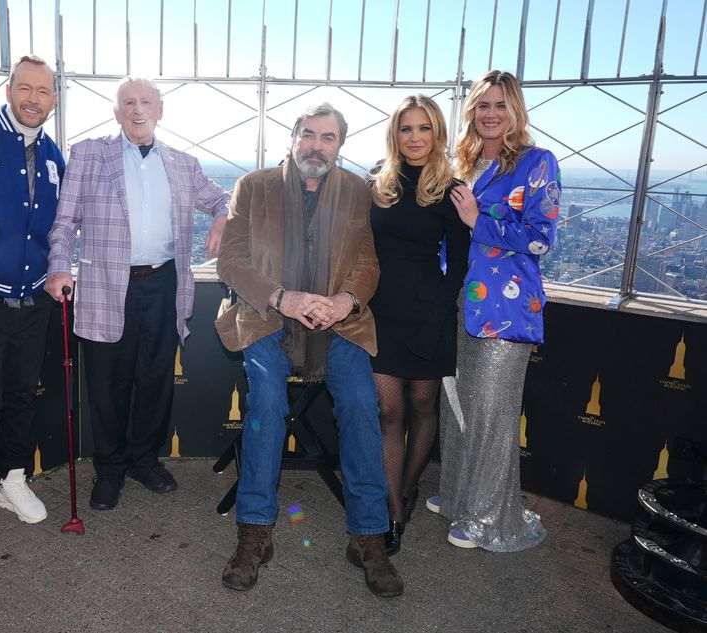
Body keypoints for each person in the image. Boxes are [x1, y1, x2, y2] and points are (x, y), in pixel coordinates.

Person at [216, 103, 403, 598]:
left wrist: (345, 301)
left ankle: (368, 536)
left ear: (340, 146)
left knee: (364, 405)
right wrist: (283, 298)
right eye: (308, 134)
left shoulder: (357, 192)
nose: (316, 145)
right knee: (268, 405)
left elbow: (368, 263)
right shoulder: (254, 187)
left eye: (328, 137)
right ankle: (255, 530)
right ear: (292, 137)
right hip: (266, 319)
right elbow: (231, 261)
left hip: (338, 326)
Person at [44, 76, 230, 511]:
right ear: (116, 112)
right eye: (128, 102)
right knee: (107, 385)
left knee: (155, 380)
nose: (137, 109)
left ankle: (144, 460)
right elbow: (64, 222)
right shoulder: (89, 154)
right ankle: (109, 471)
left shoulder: (183, 163)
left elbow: (223, 198)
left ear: (160, 110)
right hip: (108, 285)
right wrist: (57, 267)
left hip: (164, 284)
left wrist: (222, 216)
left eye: (146, 101)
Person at [431, 70, 560, 551]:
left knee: (491, 412)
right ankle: (457, 495)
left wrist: (477, 220)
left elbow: (540, 239)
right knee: (457, 404)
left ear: (515, 111)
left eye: (500, 105)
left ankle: (486, 518)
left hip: (507, 311)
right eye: (482, 105)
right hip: (457, 302)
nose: (490, 113)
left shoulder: (537, 163)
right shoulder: (461, 163)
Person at [0, 55, 66, 541]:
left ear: (54, 100)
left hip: (34, 298)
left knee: (23, 396)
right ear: (9, 90)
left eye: (43, 92)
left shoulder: (53, 154)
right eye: (25, 88)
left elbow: (62, 226)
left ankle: (13, 479)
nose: (33, 99)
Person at [366, 95, 469, 556]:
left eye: (423, 128)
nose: (414, 138)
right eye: (406, 129)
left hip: (431, 308)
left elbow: (460, 263)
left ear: (437, 134)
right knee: (389, 411)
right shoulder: (376, 182)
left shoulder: (452, 188)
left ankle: (407, 489)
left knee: (424, 407)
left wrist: (438, 314)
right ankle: (392, 510)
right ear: (395, 134)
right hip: (382, 310)